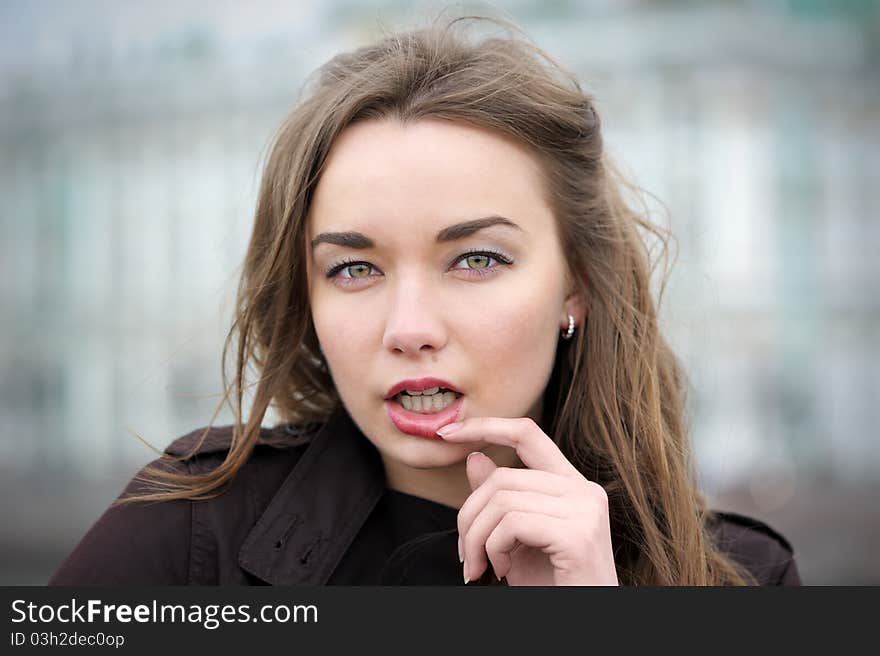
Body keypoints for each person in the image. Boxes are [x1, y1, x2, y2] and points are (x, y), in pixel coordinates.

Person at [50, 15, 800, 586]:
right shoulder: (189, 530)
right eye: (353, 269)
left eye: (475, 259)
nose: (409, 330)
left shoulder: (745, 578)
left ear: (578, 286)